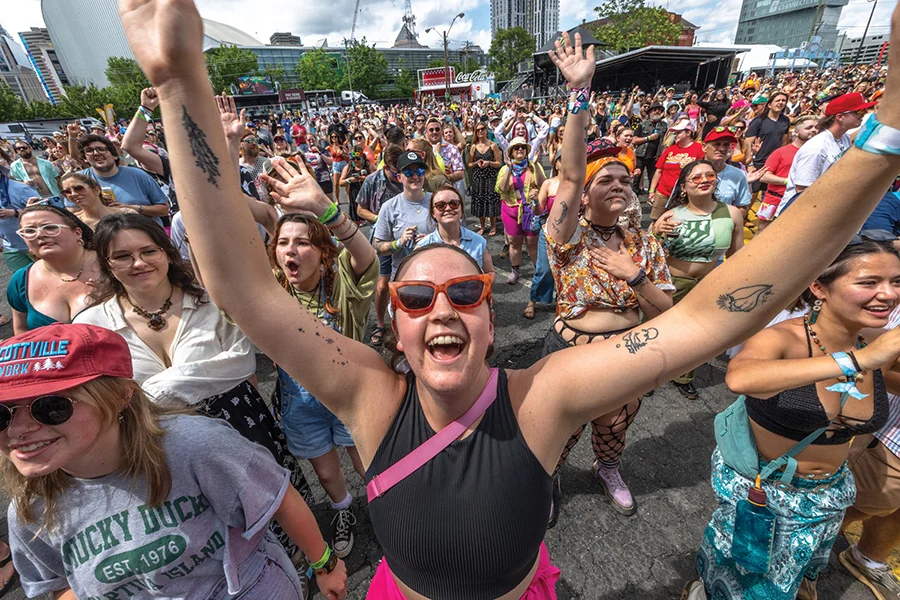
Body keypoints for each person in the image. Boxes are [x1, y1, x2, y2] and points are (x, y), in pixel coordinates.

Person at [120, 5, 900, 595]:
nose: (443, 308)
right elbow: (241, 289)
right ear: (393, 317)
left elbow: (711, 313)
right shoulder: (366, 395)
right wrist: (176, 78)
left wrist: (886, 137)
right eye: (418, 297)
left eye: (466, 290)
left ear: (490, 314)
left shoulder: (545, 398)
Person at [0, 323, 348, 600]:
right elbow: (59, 582)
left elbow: (278, 497)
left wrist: (324, 563)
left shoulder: (193, 445)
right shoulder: (29, 508)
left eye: (50, 407)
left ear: (121, 397)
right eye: (3, 413)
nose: (18, 430)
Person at [688, 241, 899, 600]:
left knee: (796, 582)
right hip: (763, 496)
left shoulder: (878, 344)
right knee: (745, 588)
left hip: (829, 497)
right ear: (819, 286)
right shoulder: (783, 338)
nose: (888, 294)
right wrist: (857, 361)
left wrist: (872, 358)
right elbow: (740, 378)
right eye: (869, 282)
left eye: (897, 282)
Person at [544, 138, 674, 521]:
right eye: (605, 180)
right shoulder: (569, 238)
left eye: (624, 180)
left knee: (615, 422)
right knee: (562, 424)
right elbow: (569, 176)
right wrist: (579, 97)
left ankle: (607, 468)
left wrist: (633, 276)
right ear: (584, 196)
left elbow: (665, 310)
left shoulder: (643, 243)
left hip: (628, 351)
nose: (618, 185)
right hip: (571, 351)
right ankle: (548, 476)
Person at [263, 193, 378, 558]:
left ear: (322, 250)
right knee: (327, 474)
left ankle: (390, 510)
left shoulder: (342, 283)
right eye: (283, 243)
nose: (290, 250)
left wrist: (326, 210)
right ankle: (344, 511)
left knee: (368, 464)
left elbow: (366, 258)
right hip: (301, 405)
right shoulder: (270, 294)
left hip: (349, 397)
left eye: (301, 242)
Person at [652, 160, 744, 399]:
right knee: (657, 329)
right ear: (683, 187)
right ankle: (647, 375)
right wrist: (656, 231)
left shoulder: (731, 214)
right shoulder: (671, 214)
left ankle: (684, 376)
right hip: (672, 283)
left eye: (710, 175)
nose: (704, 180)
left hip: (708, 285)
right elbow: (652, 252)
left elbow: (737, 255)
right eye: (696, 177)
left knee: (696, 335)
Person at [839, 305, 900, 598]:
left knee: (894, 509)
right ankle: (796, 562)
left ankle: (868, 558)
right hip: (890, 439)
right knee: (850, 504)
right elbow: (874, 354)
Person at [780, 92, 878, 216]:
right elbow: (803, 190)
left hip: (822, 209)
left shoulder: (844, 139)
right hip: (799, 214)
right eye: (858, 112)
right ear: (840, 117)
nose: (863, 115)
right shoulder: (817, 148)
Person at [7, 205, 99, 335]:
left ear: (77, 233)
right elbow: (22, 331)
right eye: (29, 231)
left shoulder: (111, 265)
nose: (40, 235)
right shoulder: (21, 280)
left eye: (50, 228)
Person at [356, 144, 404, 346]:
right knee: (382, 285)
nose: (398, 176)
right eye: (395, 172)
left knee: (405, 283)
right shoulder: (372, 180)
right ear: (385, 166)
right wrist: (380, 219)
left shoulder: (405, 176)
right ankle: (381, 324)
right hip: (382, 239)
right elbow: (360, 210)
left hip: (405, 238)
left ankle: (403, 323)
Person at [73, 134, 169, 225]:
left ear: (115, 155)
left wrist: (133, 208)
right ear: (85, 158)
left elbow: (164, 209)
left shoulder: (138, 175)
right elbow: (73, 214)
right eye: (89, 150)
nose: (96, 153)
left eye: (101, 149)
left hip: (146, 233)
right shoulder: (78, 180)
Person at [373, 150, 436, 278]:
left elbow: (454, 237)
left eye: (419, 172)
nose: (415, 176)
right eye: (408, 172)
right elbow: (377, 247)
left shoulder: (437, 202)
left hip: (434, 273)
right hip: (404, 277)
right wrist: (399, 243)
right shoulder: (389, 208)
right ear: (399, 178)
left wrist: (432, 241)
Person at [496, 137, 545, 287]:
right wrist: (509, 169)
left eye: (523, 147)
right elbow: (501, 189)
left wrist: (536, 164)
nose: (520, 150)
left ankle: (539, 272)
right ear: (511, 152)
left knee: (532, 243)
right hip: (510, 210)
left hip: (530, 211)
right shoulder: (505, 169)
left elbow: (543, 184)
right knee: (514, 243)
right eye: (516, 148)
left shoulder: (532, 166)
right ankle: (515, 271)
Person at [757, 115, 818, 232]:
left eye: (816, 127)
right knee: (763, 232)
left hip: (803, 201)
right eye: (808, 127)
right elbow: (764, 176)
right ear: (796, 131)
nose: (814, 130)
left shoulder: (817, 152)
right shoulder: (781, 152)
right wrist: (788, 181)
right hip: (774, 199)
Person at [417, 184, 493, 273]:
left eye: (454, 204)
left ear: (462, 210)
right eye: (441, 206)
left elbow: (490, 272)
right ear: (433, 213)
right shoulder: (423, 247)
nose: (448, 208)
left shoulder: (478, 242)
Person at [649, 119, 705, 220]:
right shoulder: (670, 150)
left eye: (678, 132)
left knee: (677, 222)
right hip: (663, 192)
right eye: (674, 133)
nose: (675, 135)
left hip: (684, 195)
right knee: (655, 220)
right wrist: (652, 191)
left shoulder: (699, 149)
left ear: (688, 132)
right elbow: (659, 171)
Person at [702, 127, 755, 218]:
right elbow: (677, 203)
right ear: (704, 147)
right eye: (717, 144)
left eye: (726, 145)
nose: (722, 148)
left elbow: (743, 208)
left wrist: (724, 220)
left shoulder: (738, 175)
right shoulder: (691, 171)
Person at [59, 172, 137, 229]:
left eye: (78, 188)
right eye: (67, 192)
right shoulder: (73, 223)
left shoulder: (127, 214)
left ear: (96, 190)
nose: (73, 194)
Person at [467, 121, 502, 236]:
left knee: (491, 202)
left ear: (486, 130)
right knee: (479, 202)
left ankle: (493, 226)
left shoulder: (493, 145)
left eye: (482, 129)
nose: (480, 131)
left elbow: (498, 163)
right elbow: (469, 164)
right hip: (478, 178)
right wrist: (477, 163)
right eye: (478, 130)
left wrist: (489, 163)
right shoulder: (473, 147)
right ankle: (482, 227)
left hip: (490, 177)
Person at [745, 91, 791, 176]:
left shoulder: (785, 120)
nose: (781, 102)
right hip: (758, 163)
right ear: (769, 105)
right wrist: (750, 164)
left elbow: (784, 143)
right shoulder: (759, 121)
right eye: (778, 100)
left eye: (783, 100)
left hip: (774, 163)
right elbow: (748, 143)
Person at [633, 103, 667, 195]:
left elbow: (666, 141)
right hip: (641, 155)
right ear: (649, 112)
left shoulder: (664, 125)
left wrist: (661, 154)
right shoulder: (642, 124)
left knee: (653, 179)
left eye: (659, 110)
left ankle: (652, 199)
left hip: (655, 157)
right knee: (636, 179)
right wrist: (648, 138)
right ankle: (634, 201)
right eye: (654, 110)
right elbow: (634, 140)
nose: (657, 112)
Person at [339, 147, 369, 224]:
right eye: (353, 159)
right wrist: (350, 180)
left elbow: (377, 178)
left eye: (358, 158)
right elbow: (340, 183)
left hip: (367, 195)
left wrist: (363, 179)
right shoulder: (348, 167)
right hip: (354, 196)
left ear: (362, 158)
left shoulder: (368, 166)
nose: (355, 161)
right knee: (356, 222)